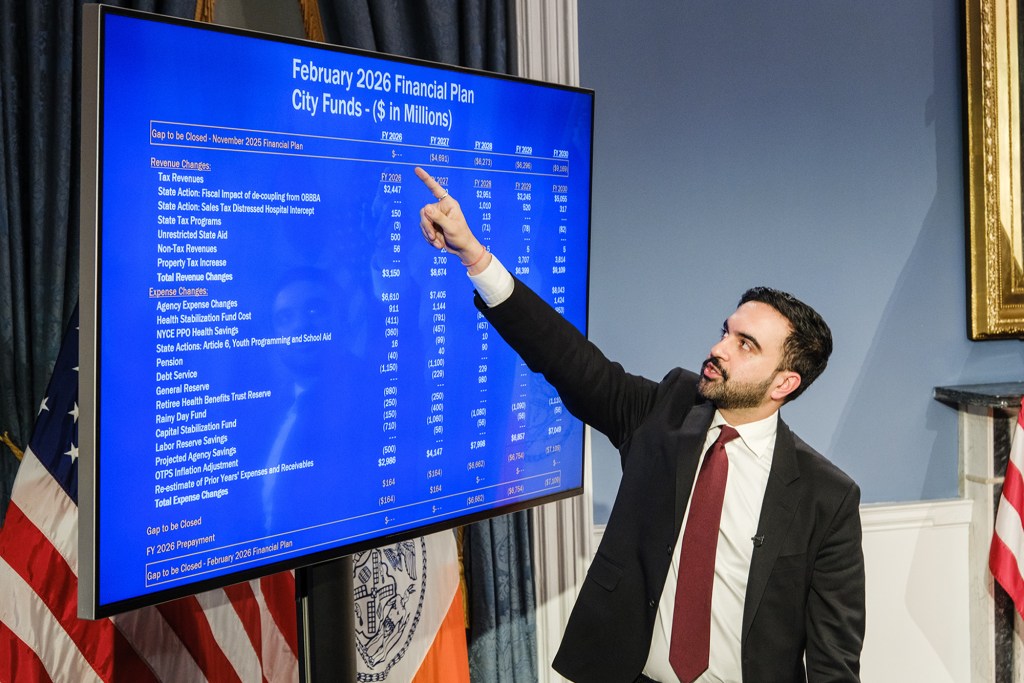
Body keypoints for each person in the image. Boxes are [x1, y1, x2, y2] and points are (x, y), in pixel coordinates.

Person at [412, 167, 865, 682]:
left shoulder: (826, 498)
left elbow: (835, 659)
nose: (718, 349)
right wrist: (476, 257)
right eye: (726, 332)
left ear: (784, 383)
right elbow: (569, 359)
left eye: (746, 345)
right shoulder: (668, 411)